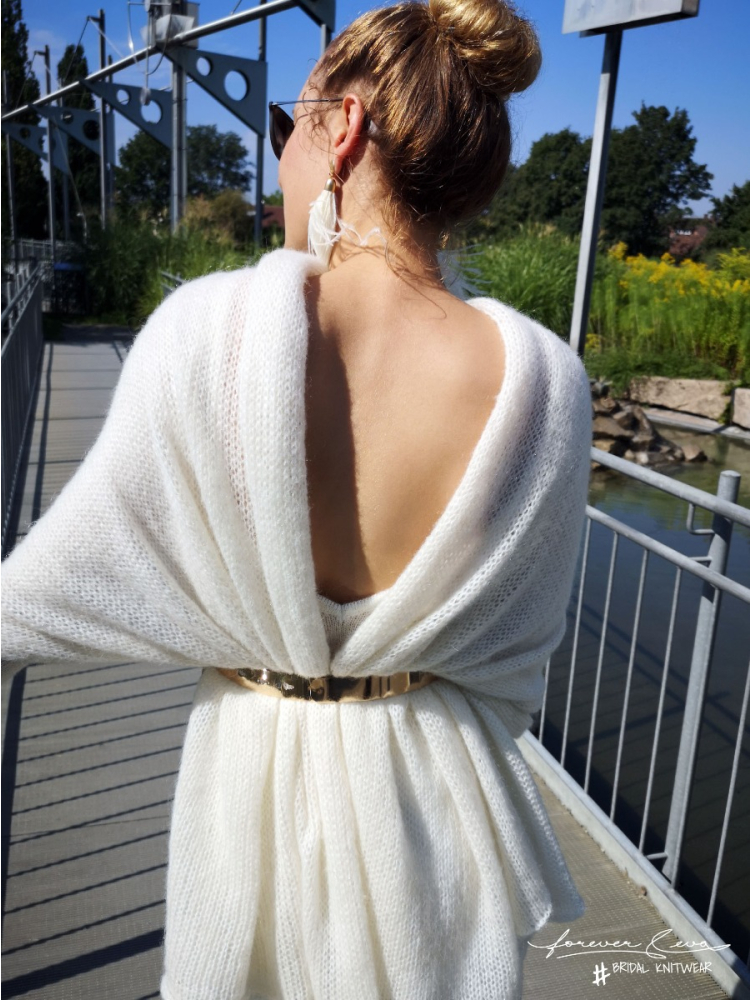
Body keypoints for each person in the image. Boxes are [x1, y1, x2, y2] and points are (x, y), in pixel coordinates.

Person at [1, 0, 594, 997]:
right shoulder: (547, 382)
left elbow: (64, 579)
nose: (280, 155)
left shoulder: (208, 332)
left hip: (251, 795)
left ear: (345, 127)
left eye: (289, 125)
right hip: (437, 818)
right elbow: (517, 660)